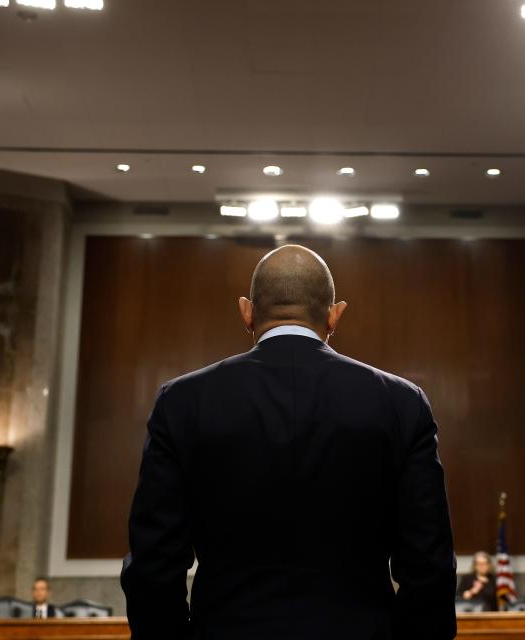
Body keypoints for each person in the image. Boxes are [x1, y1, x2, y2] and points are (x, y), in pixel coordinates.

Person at [120, 245, 457, 640]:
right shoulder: (401, 403)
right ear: (335, 315)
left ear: (246, 312)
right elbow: (429, 566)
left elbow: (154, 564)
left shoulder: (182, 402)